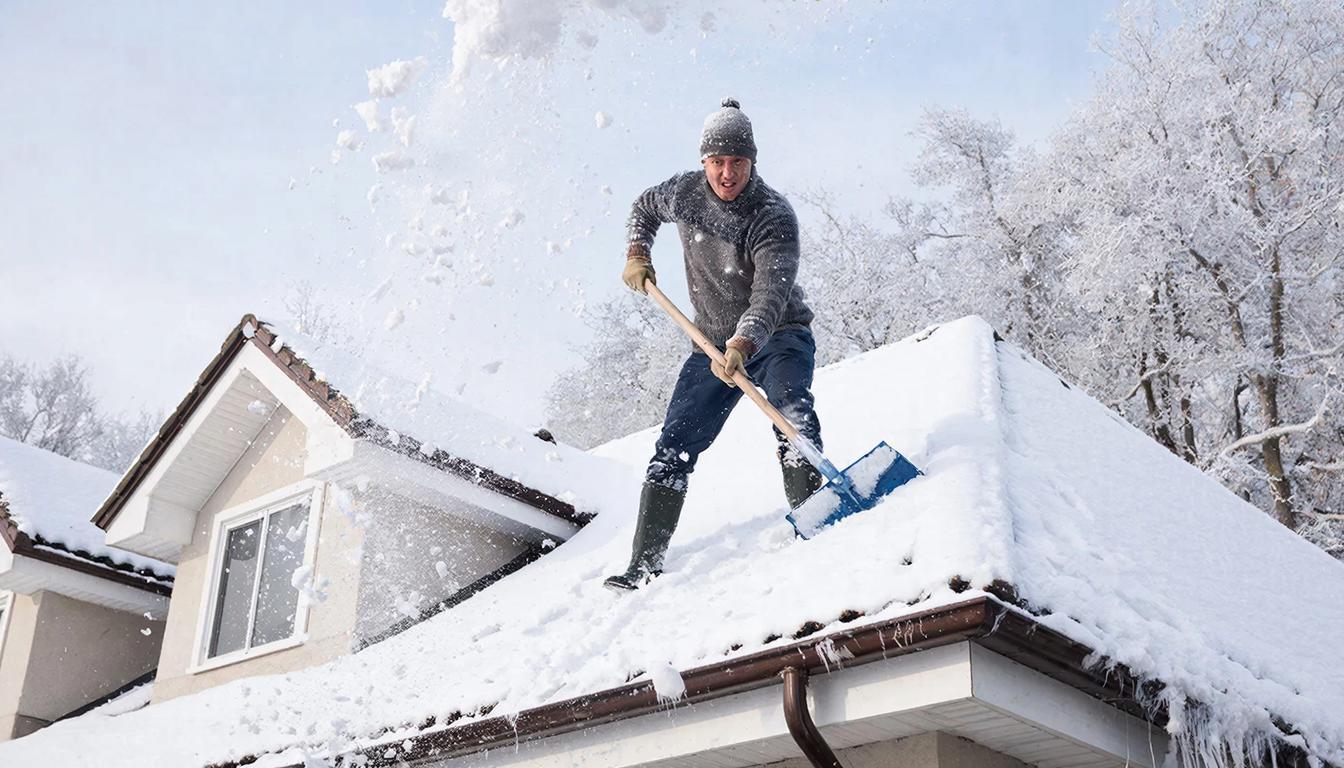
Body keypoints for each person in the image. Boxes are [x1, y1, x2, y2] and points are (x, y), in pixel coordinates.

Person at [604, 98, 824, 592]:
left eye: (738, 162)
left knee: (791, 415)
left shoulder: (772, 216)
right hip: (710, 343)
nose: (727, 173)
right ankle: (643, 564)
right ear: (703, 161)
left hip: (778, 336)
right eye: (718, 161)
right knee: (674, 446)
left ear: (753, 161)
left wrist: (745, 343)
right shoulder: (684, 193)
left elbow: (770, 294)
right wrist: (638, 252)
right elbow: (643, 206)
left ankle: (820, 528)